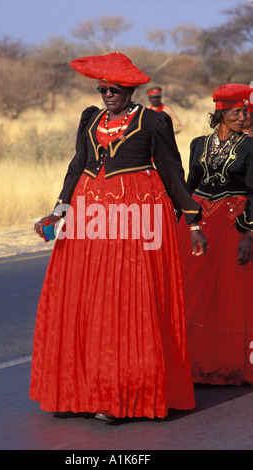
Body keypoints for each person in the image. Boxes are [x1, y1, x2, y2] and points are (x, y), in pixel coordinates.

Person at [30, 52, 208, 422]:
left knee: (126, 304)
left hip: (136, 217)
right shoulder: (90, 118)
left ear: (129, 89)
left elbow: (173, 173)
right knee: (85, 300)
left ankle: (123, 396)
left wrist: (193, 221)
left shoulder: (153, 121)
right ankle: (80, 391)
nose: (108, 94)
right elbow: (77, 165)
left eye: (114, 89)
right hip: (88, 215)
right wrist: (58, 211)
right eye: (103, 88)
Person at [177, 83, 253, 386]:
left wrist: (249, 234)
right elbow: (188, 183)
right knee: (193, 288)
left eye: (244, 111)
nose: (242, 117)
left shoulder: (249, 147)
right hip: (199, 221)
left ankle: (226, 362)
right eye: (236, 111)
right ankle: (193, 359)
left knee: (228, 294)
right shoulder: (198, 144)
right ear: (221, 112)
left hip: (233, 222)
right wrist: (179, 214)